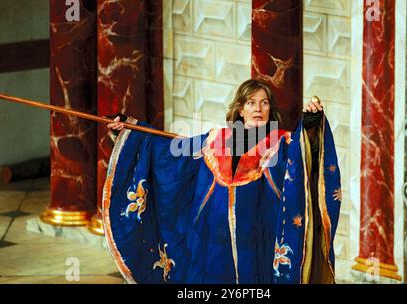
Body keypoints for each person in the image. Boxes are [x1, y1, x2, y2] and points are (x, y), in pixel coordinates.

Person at [103, 79, 341, 284]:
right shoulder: (215, 140)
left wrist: (310, 123)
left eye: (264, 102)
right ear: (240, 109)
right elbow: (169, 150)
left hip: (260, 244)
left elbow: (305, 161)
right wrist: (130, 129)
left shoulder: (281, 142)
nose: (258, 108)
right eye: (251, 102)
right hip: (211, 245)